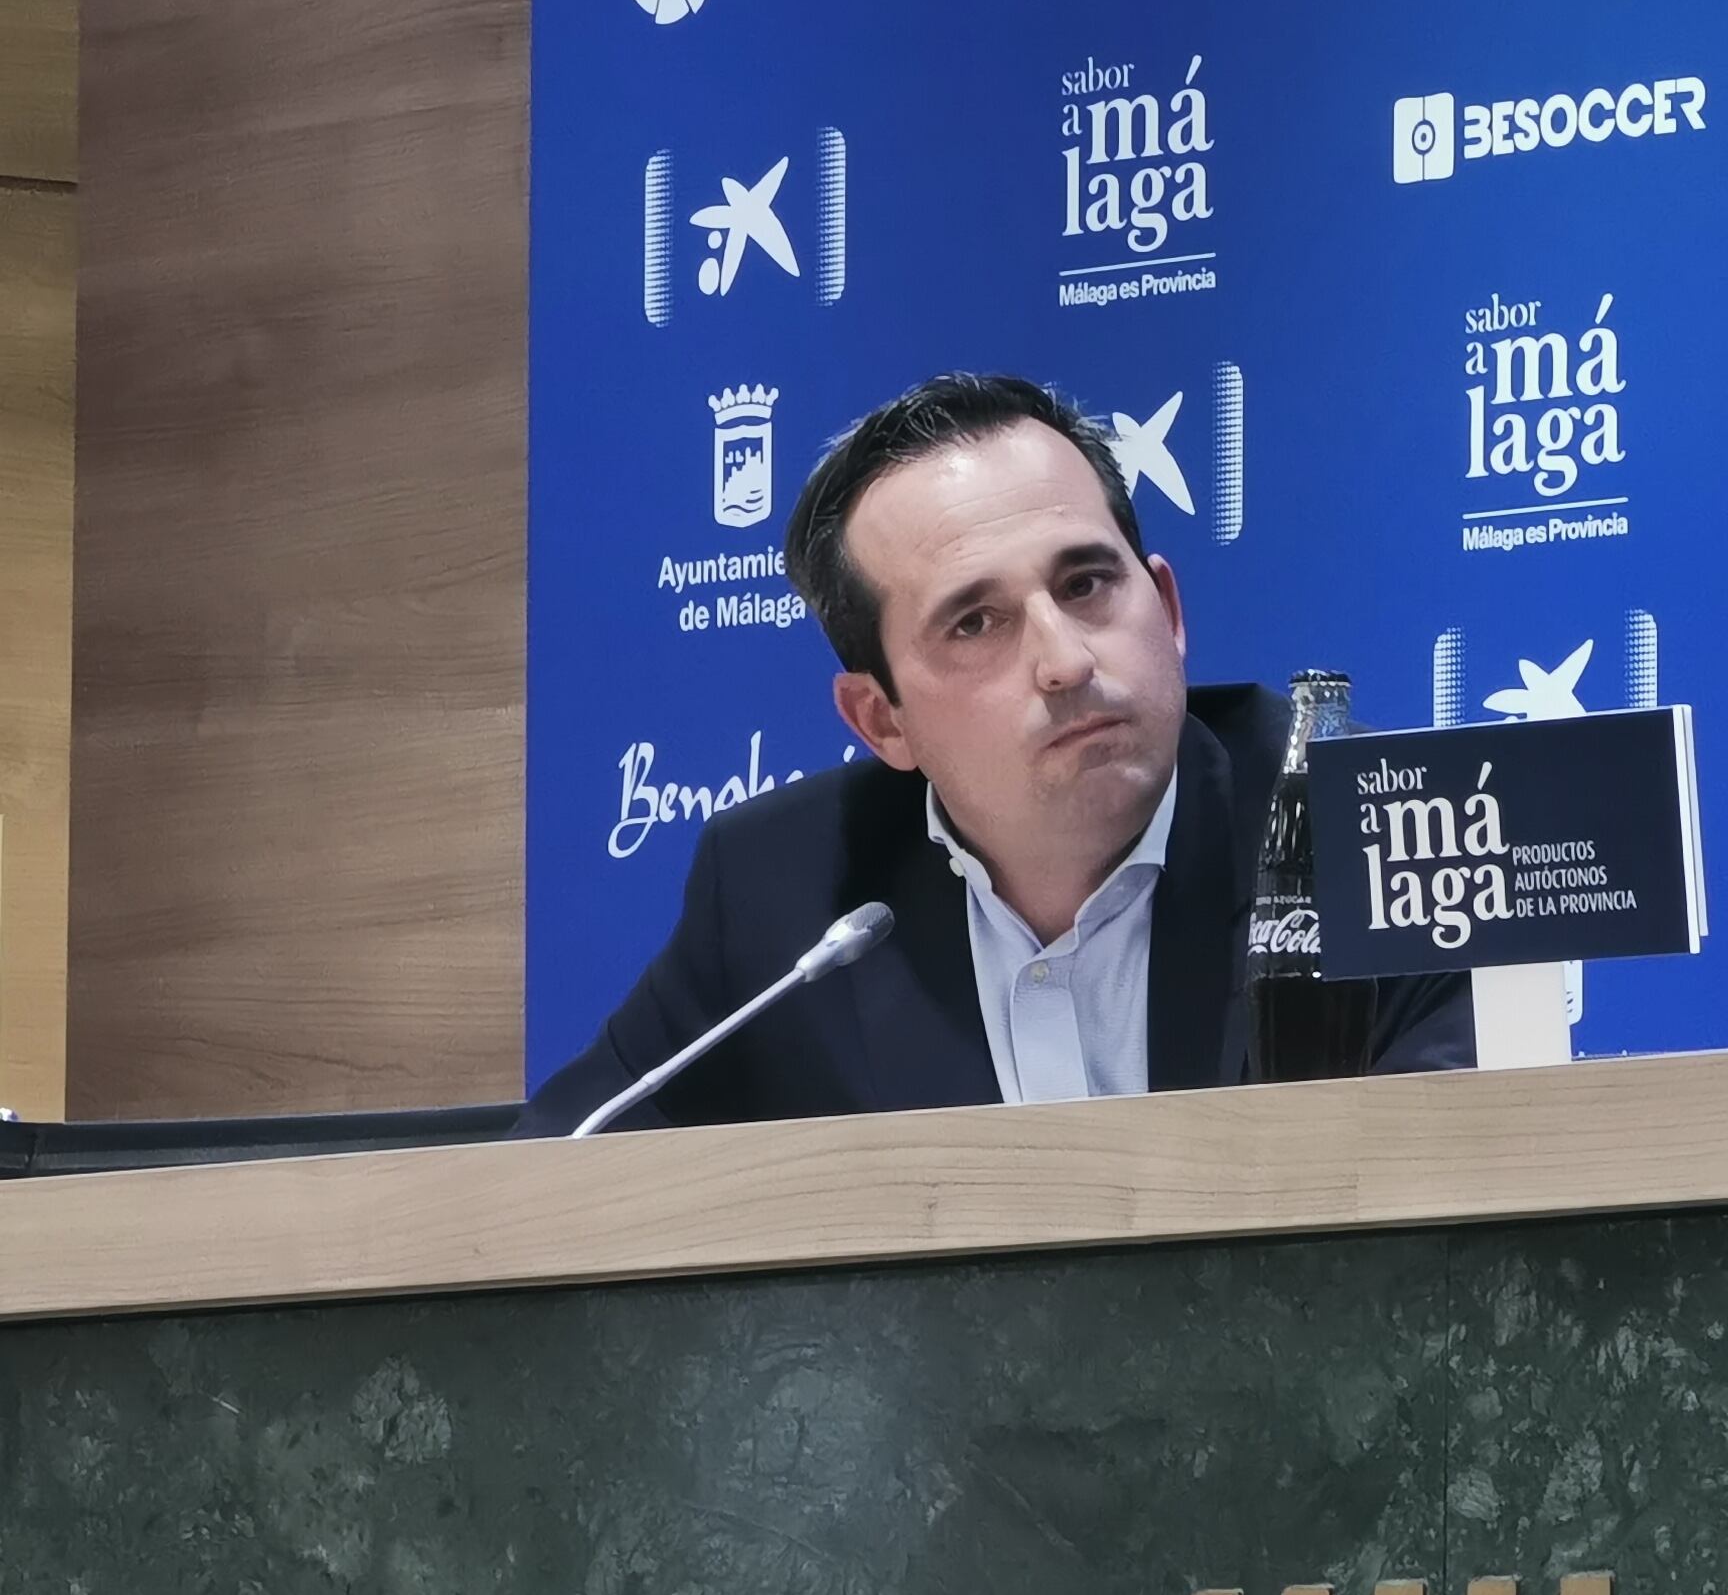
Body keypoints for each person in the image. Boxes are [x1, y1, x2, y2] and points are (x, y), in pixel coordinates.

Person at [520, 373, 1466, 1135]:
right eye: (976, 623)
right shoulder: (782, 898)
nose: (1064, 661)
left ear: (1169, 612)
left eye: (1088, 583)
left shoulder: (1378, 836)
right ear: (881, 720)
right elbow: (547, 1180)